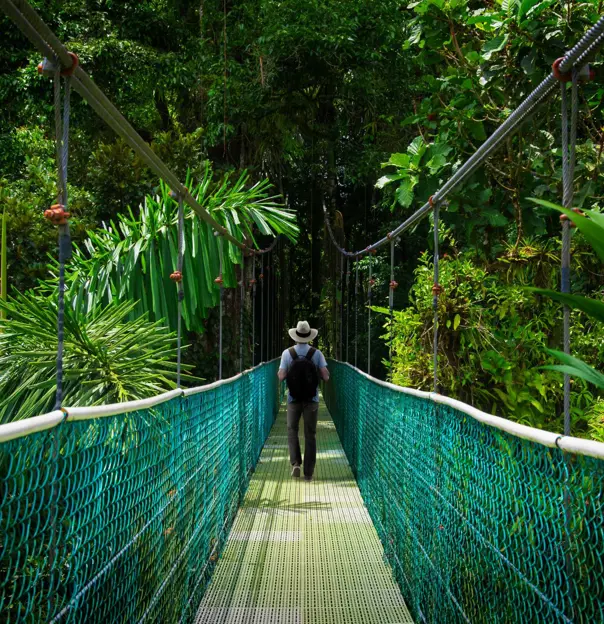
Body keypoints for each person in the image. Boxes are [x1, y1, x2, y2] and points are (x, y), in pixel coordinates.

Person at [278, 320, 329, 482]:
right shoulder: (317, 353)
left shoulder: (288, 353)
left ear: (295, 336)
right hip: (311, 400)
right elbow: (326, 377)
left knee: (292, 431)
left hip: (293, 399)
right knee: (310, 434)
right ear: (309, 336)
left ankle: (295, 464)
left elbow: (280, 376)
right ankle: (308, 473)